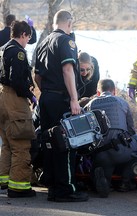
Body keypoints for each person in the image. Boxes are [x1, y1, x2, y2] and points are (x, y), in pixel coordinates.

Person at [34, 10, 88, 202]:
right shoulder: (66, 41)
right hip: (60, 100)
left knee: (49, 143)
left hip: (46, 99)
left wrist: (46, 93)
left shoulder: (43, 42)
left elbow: (37, 75)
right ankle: (66, 189)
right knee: (66, 143)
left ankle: (54, 188)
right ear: (69, 23)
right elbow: (68, 70)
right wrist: (74, 99)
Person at [84, 79, 137, 198]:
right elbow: (130, 130)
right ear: (114, 91)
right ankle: (125, 181)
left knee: (105, 165)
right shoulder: (122, 102)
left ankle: (102, 180)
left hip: (98, 153)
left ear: (98, 92)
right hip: (119, 151)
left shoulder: (90, 105)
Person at [0, 20, 37, 198]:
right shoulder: (18, 52)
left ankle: (4, 181)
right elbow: (17, 80)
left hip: (2, 98)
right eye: (28, 37)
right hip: (15, 100)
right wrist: (31, 96)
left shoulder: (3, 48)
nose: (28, 41)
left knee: (7, 143)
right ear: (23, 35)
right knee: (21, 143)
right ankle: (19, 187)